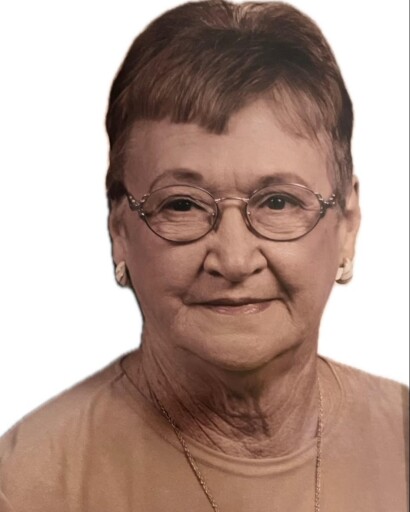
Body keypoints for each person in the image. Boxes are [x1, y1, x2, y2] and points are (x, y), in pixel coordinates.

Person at [0, 1, 408, 511]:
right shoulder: (26, 485)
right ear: (120, 231)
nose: (234, 260)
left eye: (278, 202)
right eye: (182, 205)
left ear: (346, 224)